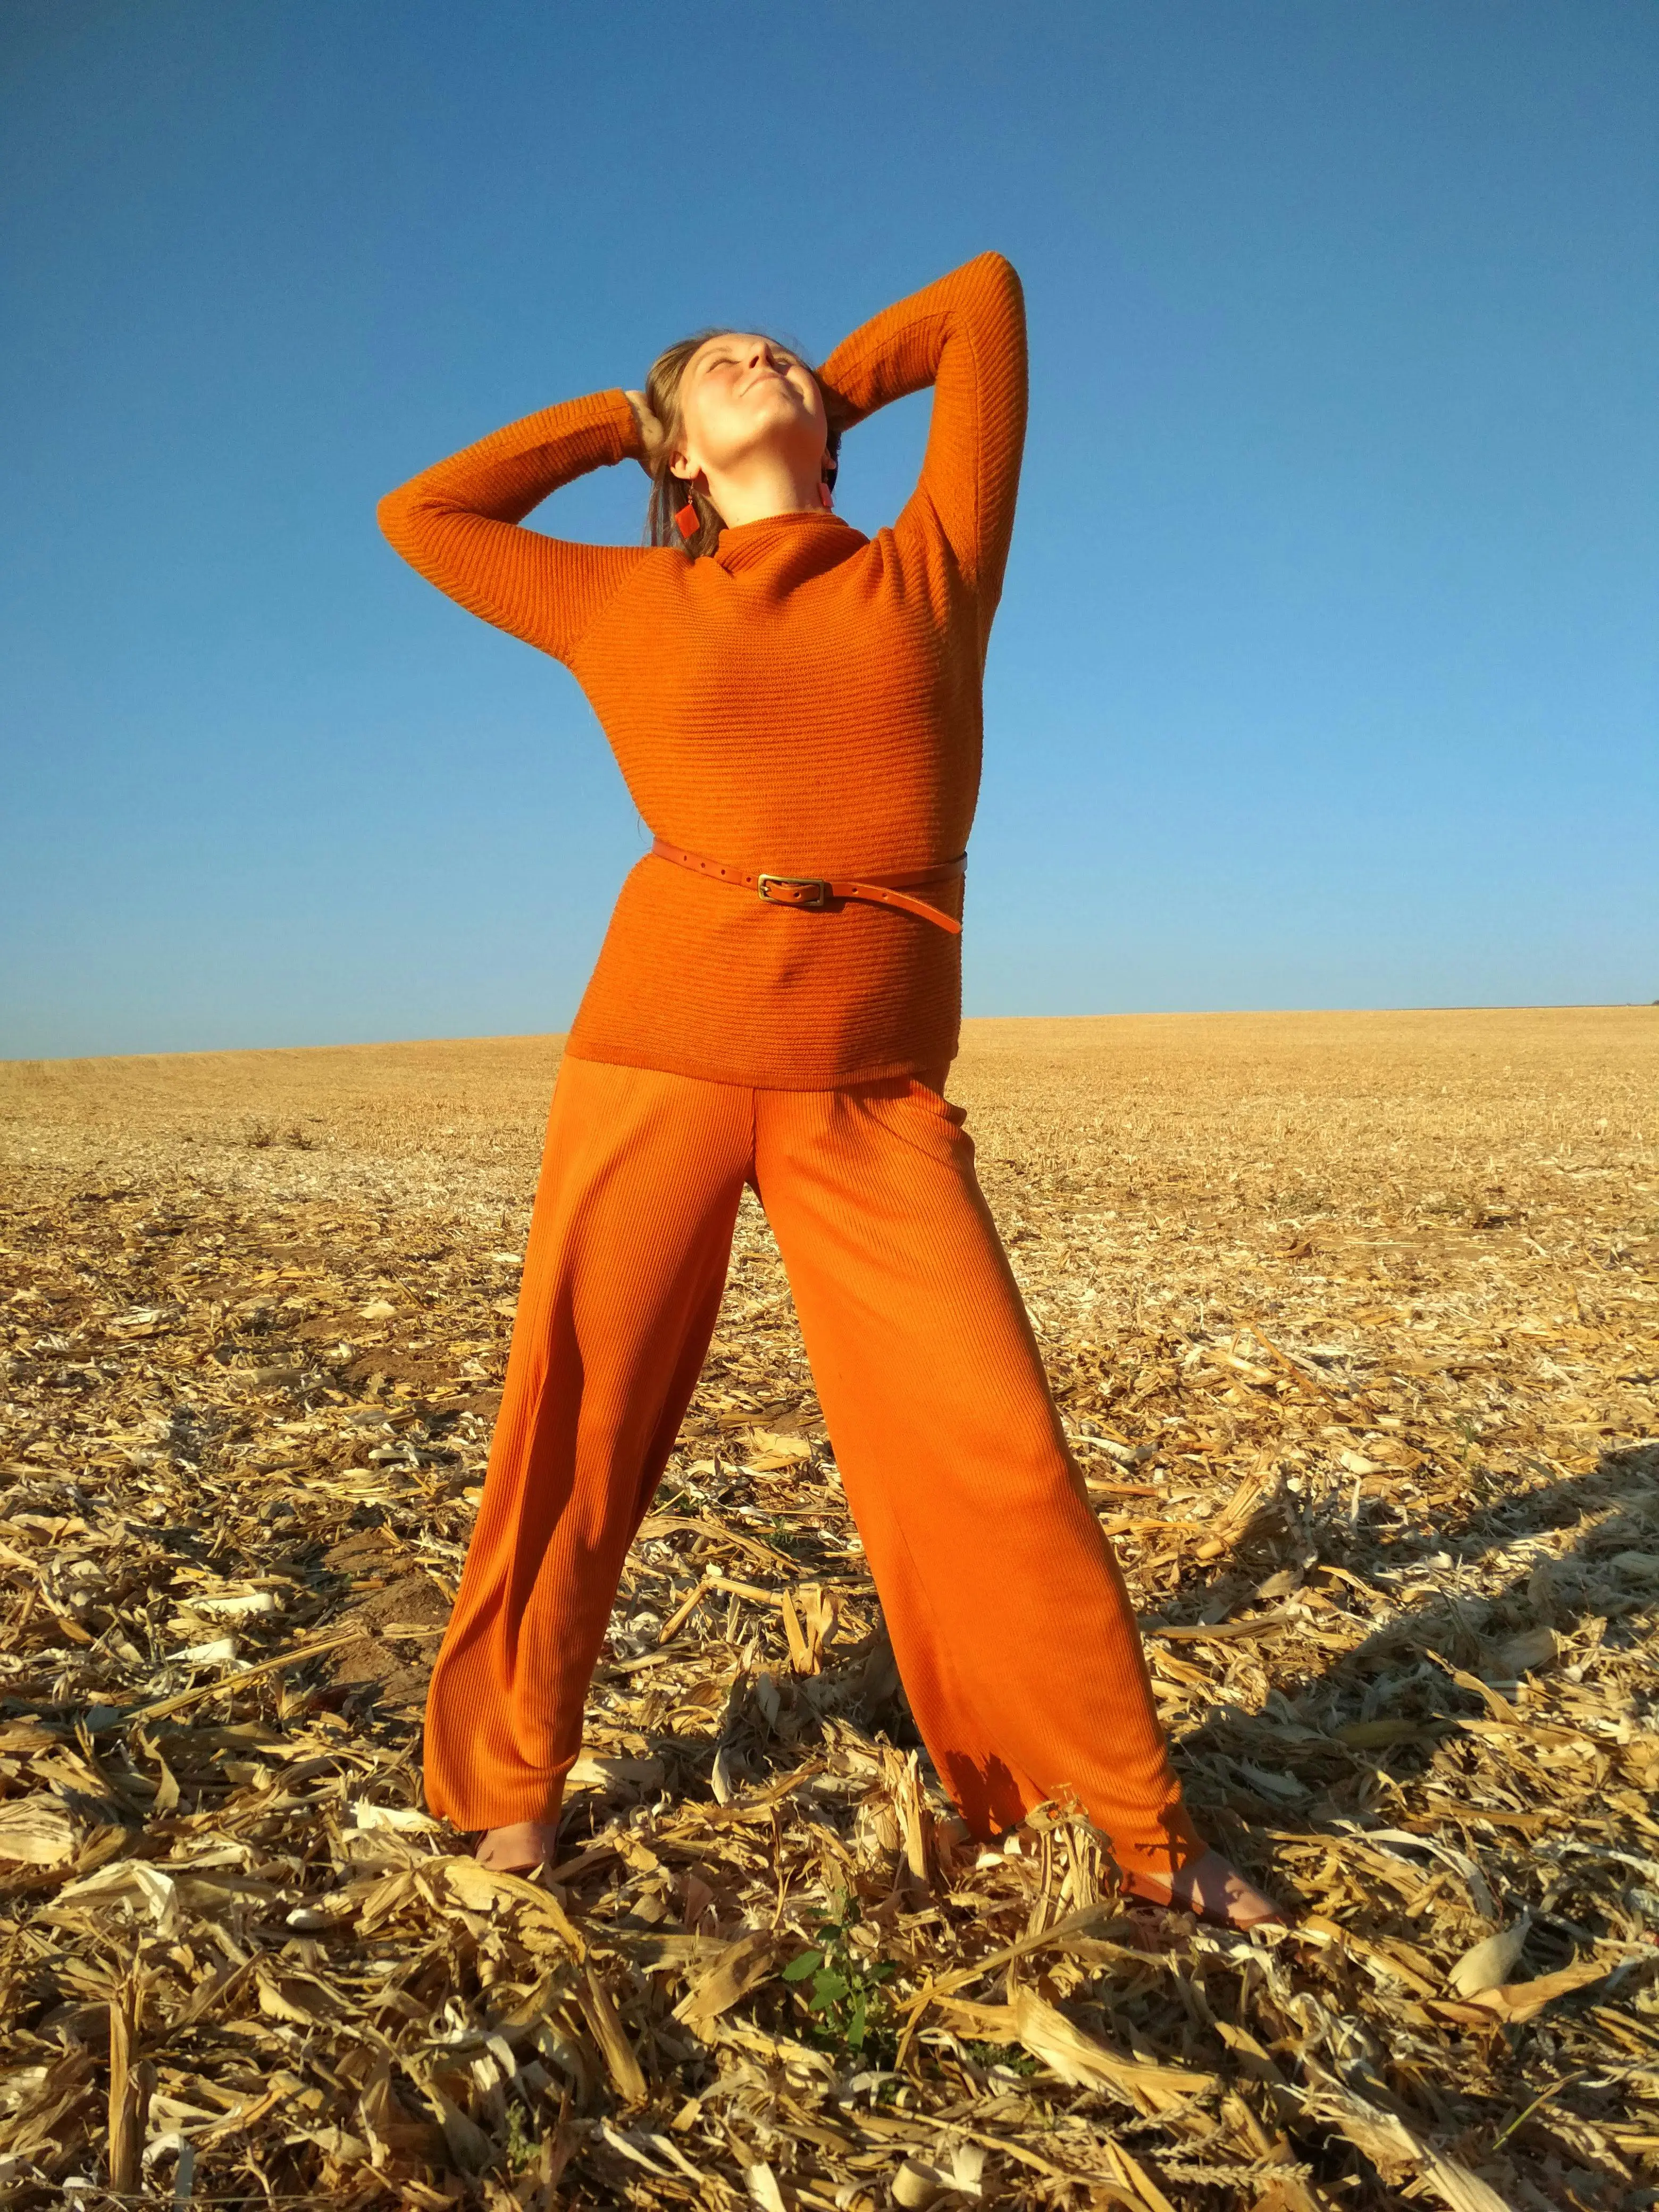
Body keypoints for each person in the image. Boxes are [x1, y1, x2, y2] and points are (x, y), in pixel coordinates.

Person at [378, 254, 1277, 1928]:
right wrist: (625, 421)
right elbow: (423, 518)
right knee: (576, 1422)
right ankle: (505, 1776)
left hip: (869, 1086)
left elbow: (988, 304)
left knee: (991, 1445)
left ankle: (1125, 1820)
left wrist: (810, 400)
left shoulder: (933, 569)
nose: (764, 353)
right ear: (676, 460)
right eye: (721, 362)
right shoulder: (625, 601)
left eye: (780, 347)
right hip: (658, 1052)